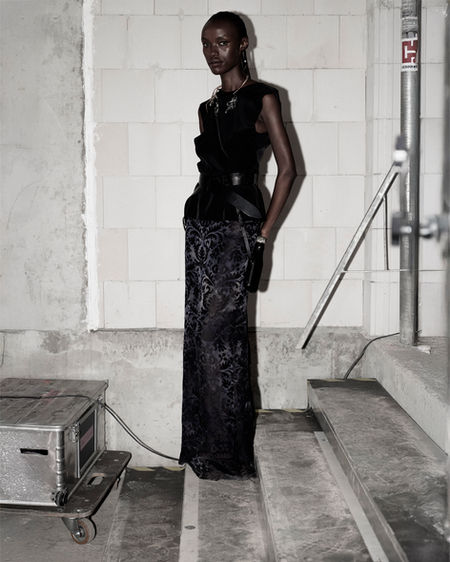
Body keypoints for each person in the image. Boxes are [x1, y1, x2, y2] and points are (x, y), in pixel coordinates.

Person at [179, 11, 296, 480]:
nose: (214, 52)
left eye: (222, 42)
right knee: (198, 336)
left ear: (243, 44)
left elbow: (288, 170)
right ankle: (205, 448)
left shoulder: (262, 98)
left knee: (220, 336)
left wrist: (263, 233)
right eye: (207, 44)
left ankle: (231, 453)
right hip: (201, 224)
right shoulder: (206, 108)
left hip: (237, 226)